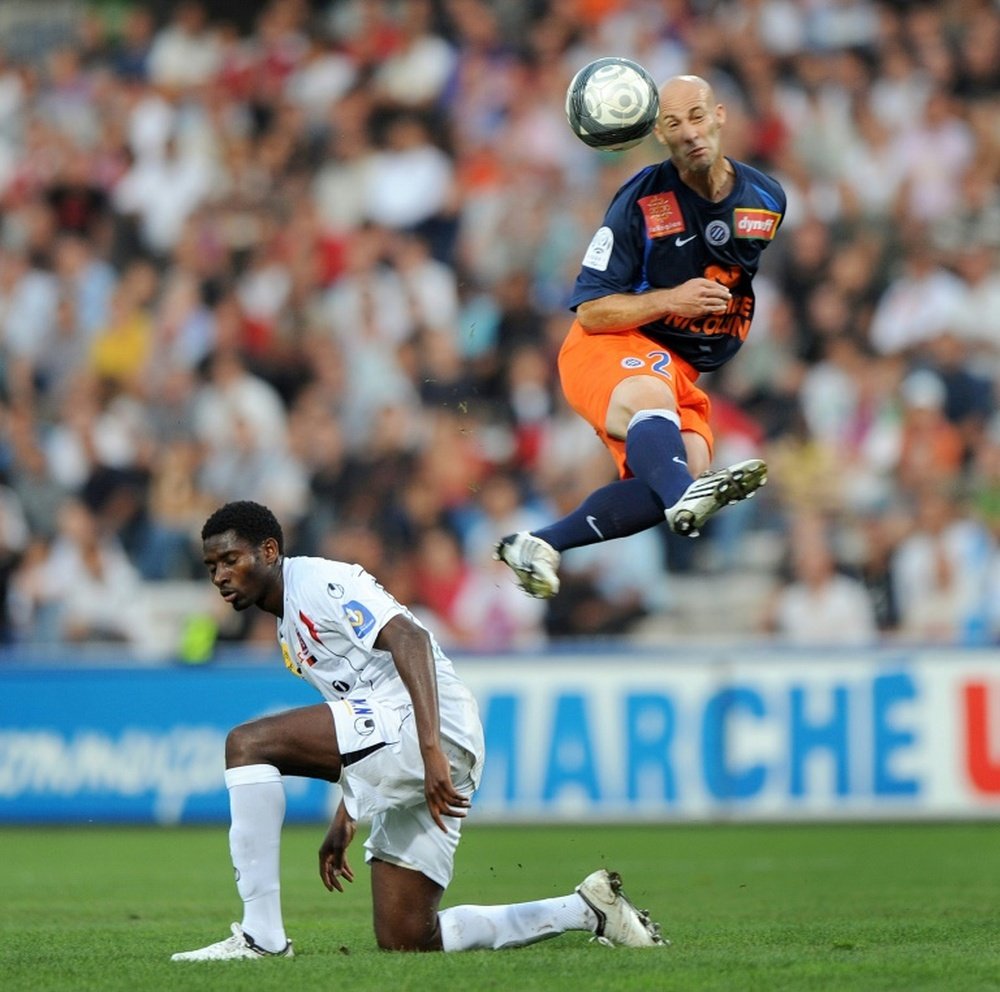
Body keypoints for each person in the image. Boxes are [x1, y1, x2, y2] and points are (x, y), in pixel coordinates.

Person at [172, 500, 664, 960]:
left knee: (246, 745)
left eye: (229, 560)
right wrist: (348, 813)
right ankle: (585, 910)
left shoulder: (320, 581)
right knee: (407, 936)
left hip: (429, 728)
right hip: (421, 737)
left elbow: (411, 638)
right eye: (211, 566)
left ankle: (261, 938)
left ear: (269, 551)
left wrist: (429, 749)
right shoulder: (288, 628)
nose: (219, 575)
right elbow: (357, 724)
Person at [496, 74, 786, 598]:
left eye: (698, 116)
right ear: (659, 135)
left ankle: (538, 543)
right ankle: (683, 500)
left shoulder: (766, 200)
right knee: (668, 447)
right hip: (610, 345)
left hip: (677, 367)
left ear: (720, 115)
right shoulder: (640, 203)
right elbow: (591, 310)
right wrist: (673, 300)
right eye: (674, 124)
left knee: (683, 470)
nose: (691, 133)